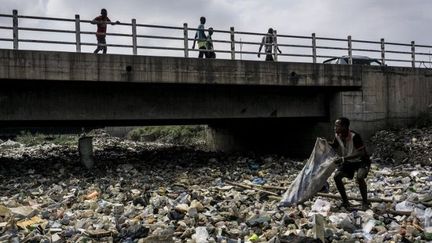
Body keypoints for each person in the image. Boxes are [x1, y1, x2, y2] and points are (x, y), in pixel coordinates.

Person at [330, 117, 371, 210]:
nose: (335, 127)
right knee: (337, 177)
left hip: (361, 161)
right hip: (348, 162)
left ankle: (365, 203)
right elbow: (334, 145)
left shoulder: (354, 136)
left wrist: (343, 158)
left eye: (337, 126)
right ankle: (345, 202)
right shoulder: (338, 135)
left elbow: (361, 153)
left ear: (344, 127)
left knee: (360, 177)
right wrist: (324, 142)